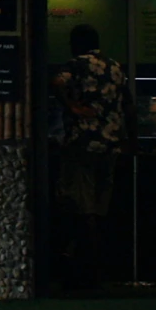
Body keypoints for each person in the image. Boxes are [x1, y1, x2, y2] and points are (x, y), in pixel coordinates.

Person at [50, 23, 132, 288]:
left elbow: (56, 83)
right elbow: (128, 104)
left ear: (76, 44)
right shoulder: (116, 67)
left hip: (82, 144)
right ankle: (102, 267)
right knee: (100, 206)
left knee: (80, 207)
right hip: (111, 145)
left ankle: (86, 269)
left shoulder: (76, 65)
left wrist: (72, 107)